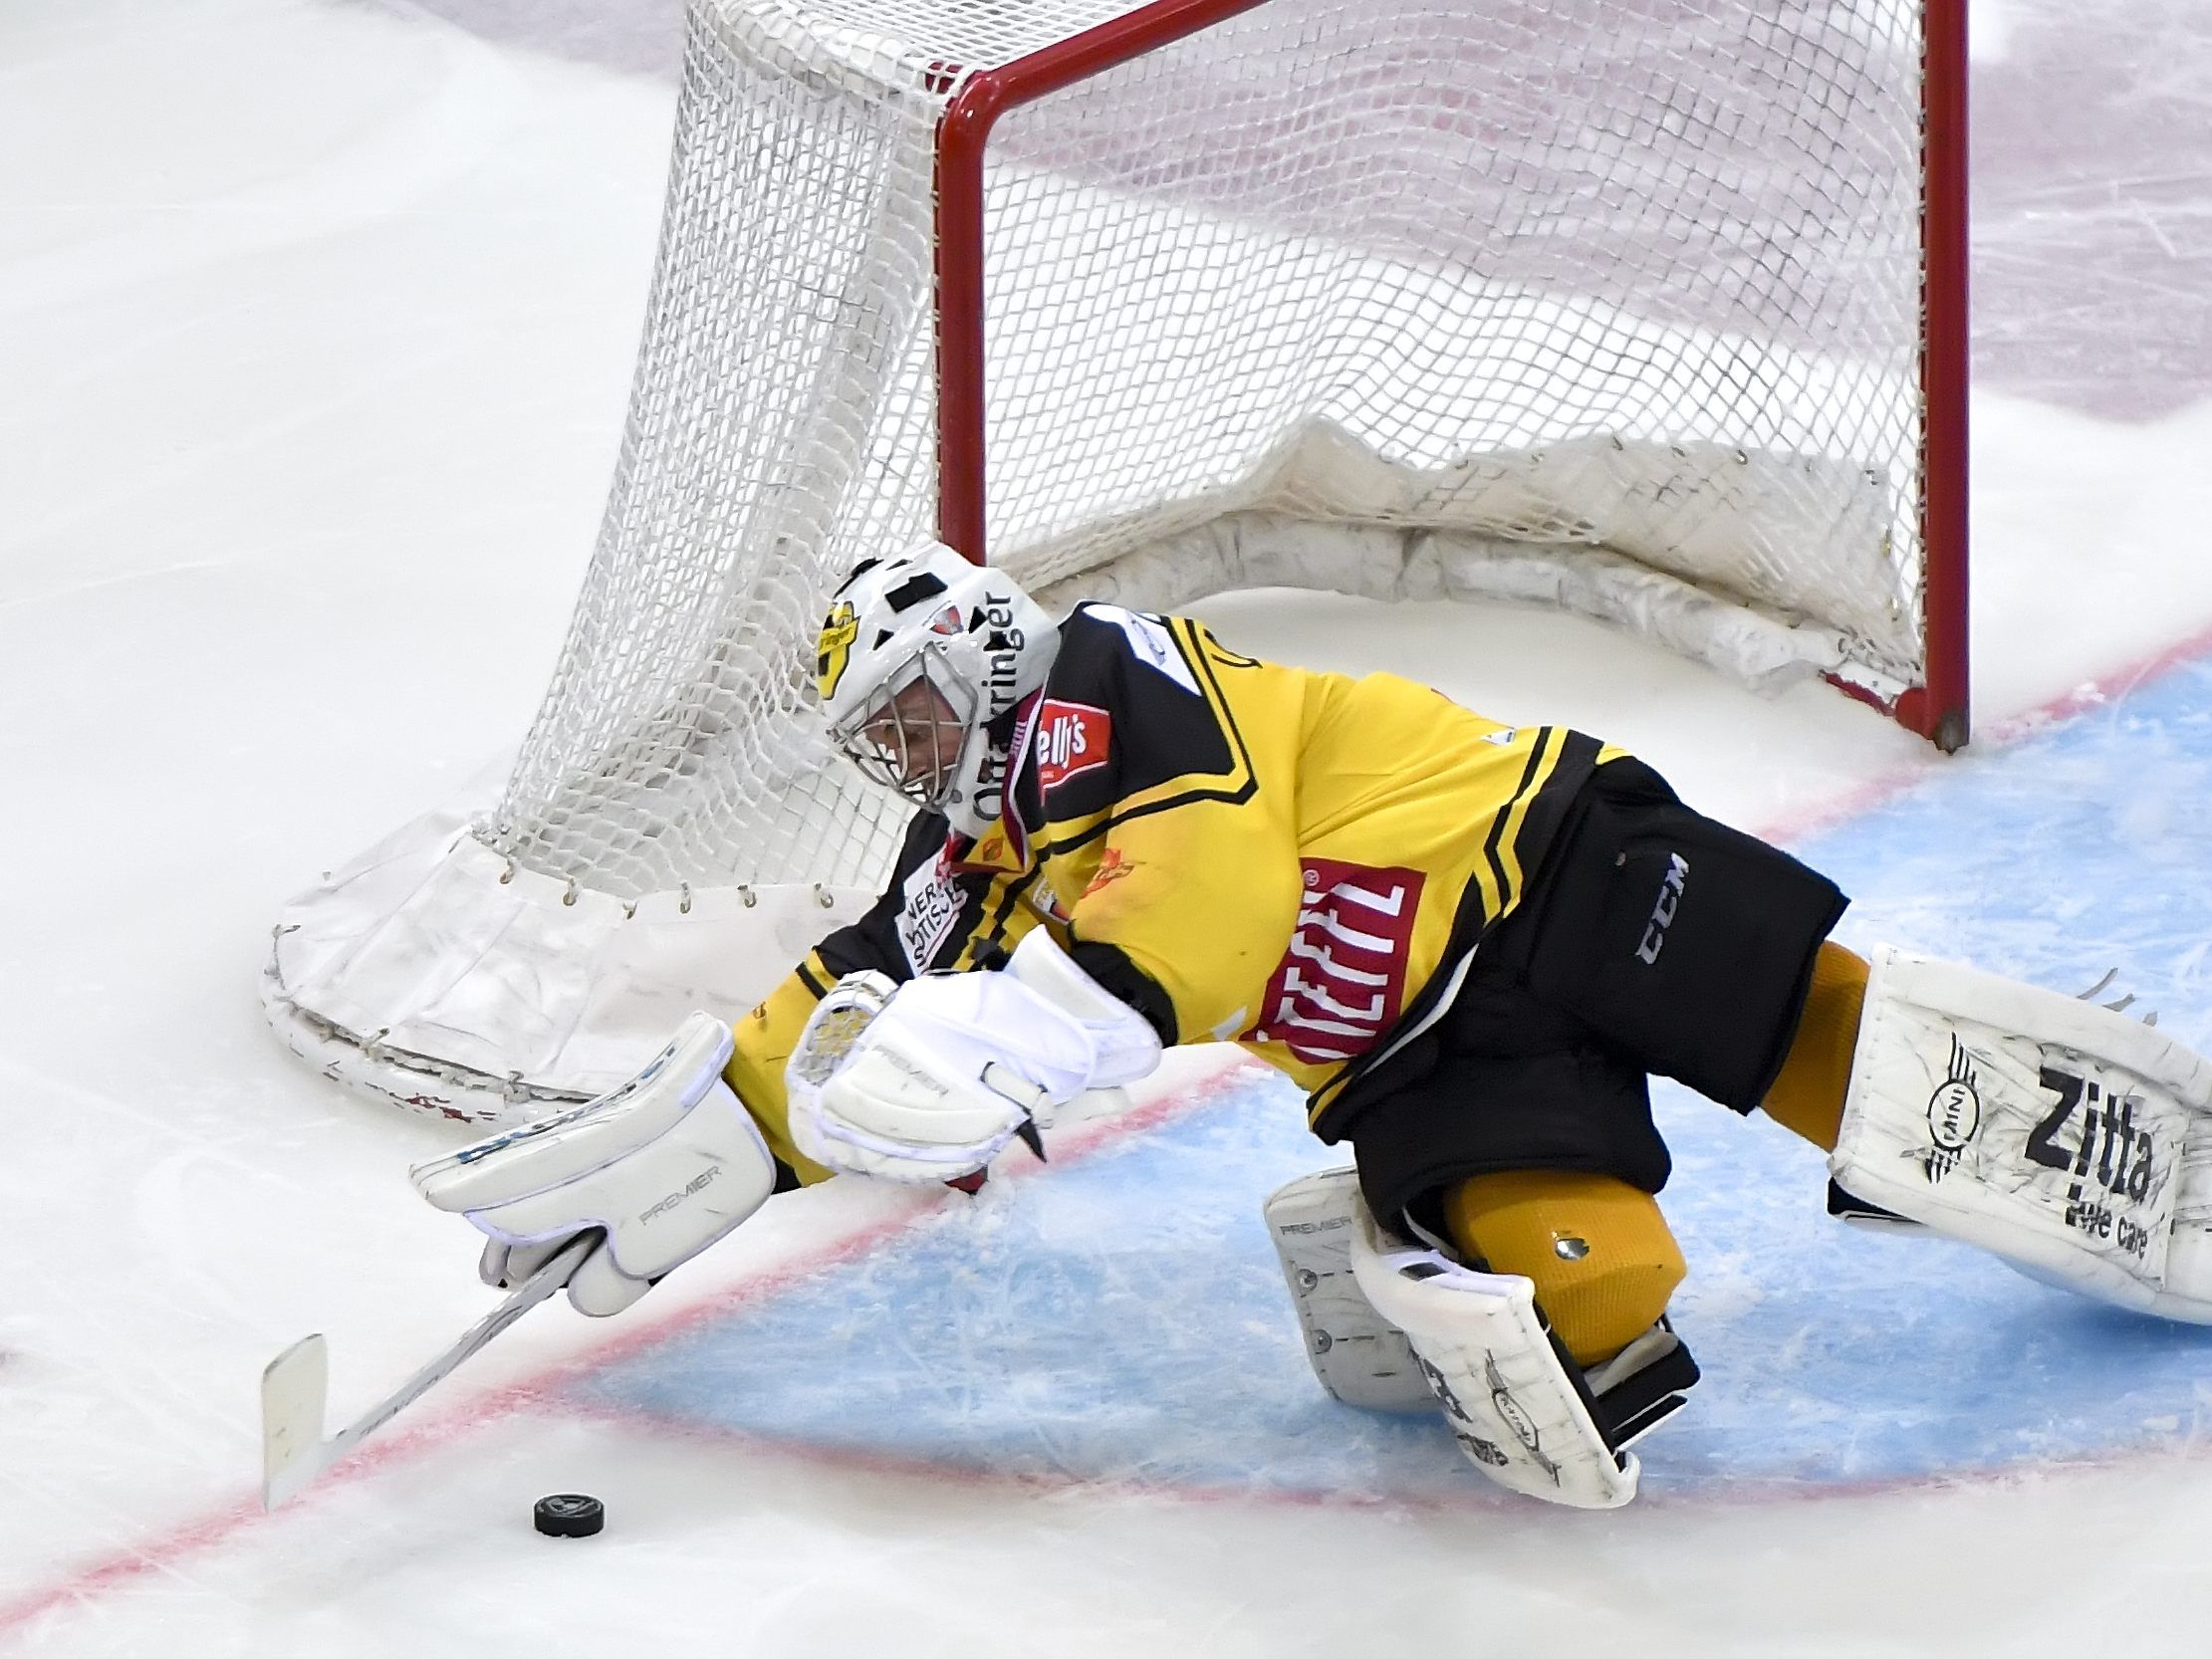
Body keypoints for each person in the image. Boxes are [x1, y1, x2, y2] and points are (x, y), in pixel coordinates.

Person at [413, 540, 2212, 1510]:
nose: (905, 759)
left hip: (1550, 867)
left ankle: (2039, 1116)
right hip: (1421, 1049)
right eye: (879, 745)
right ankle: (1466, 1266)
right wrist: (727, 1128)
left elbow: (1214, 898)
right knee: (1593, 1296)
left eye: (909, 716)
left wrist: (1041, 1021)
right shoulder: (986, 843)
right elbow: (863, 981)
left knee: (1819, 1040)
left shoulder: (1114, 688)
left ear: (979, 654)